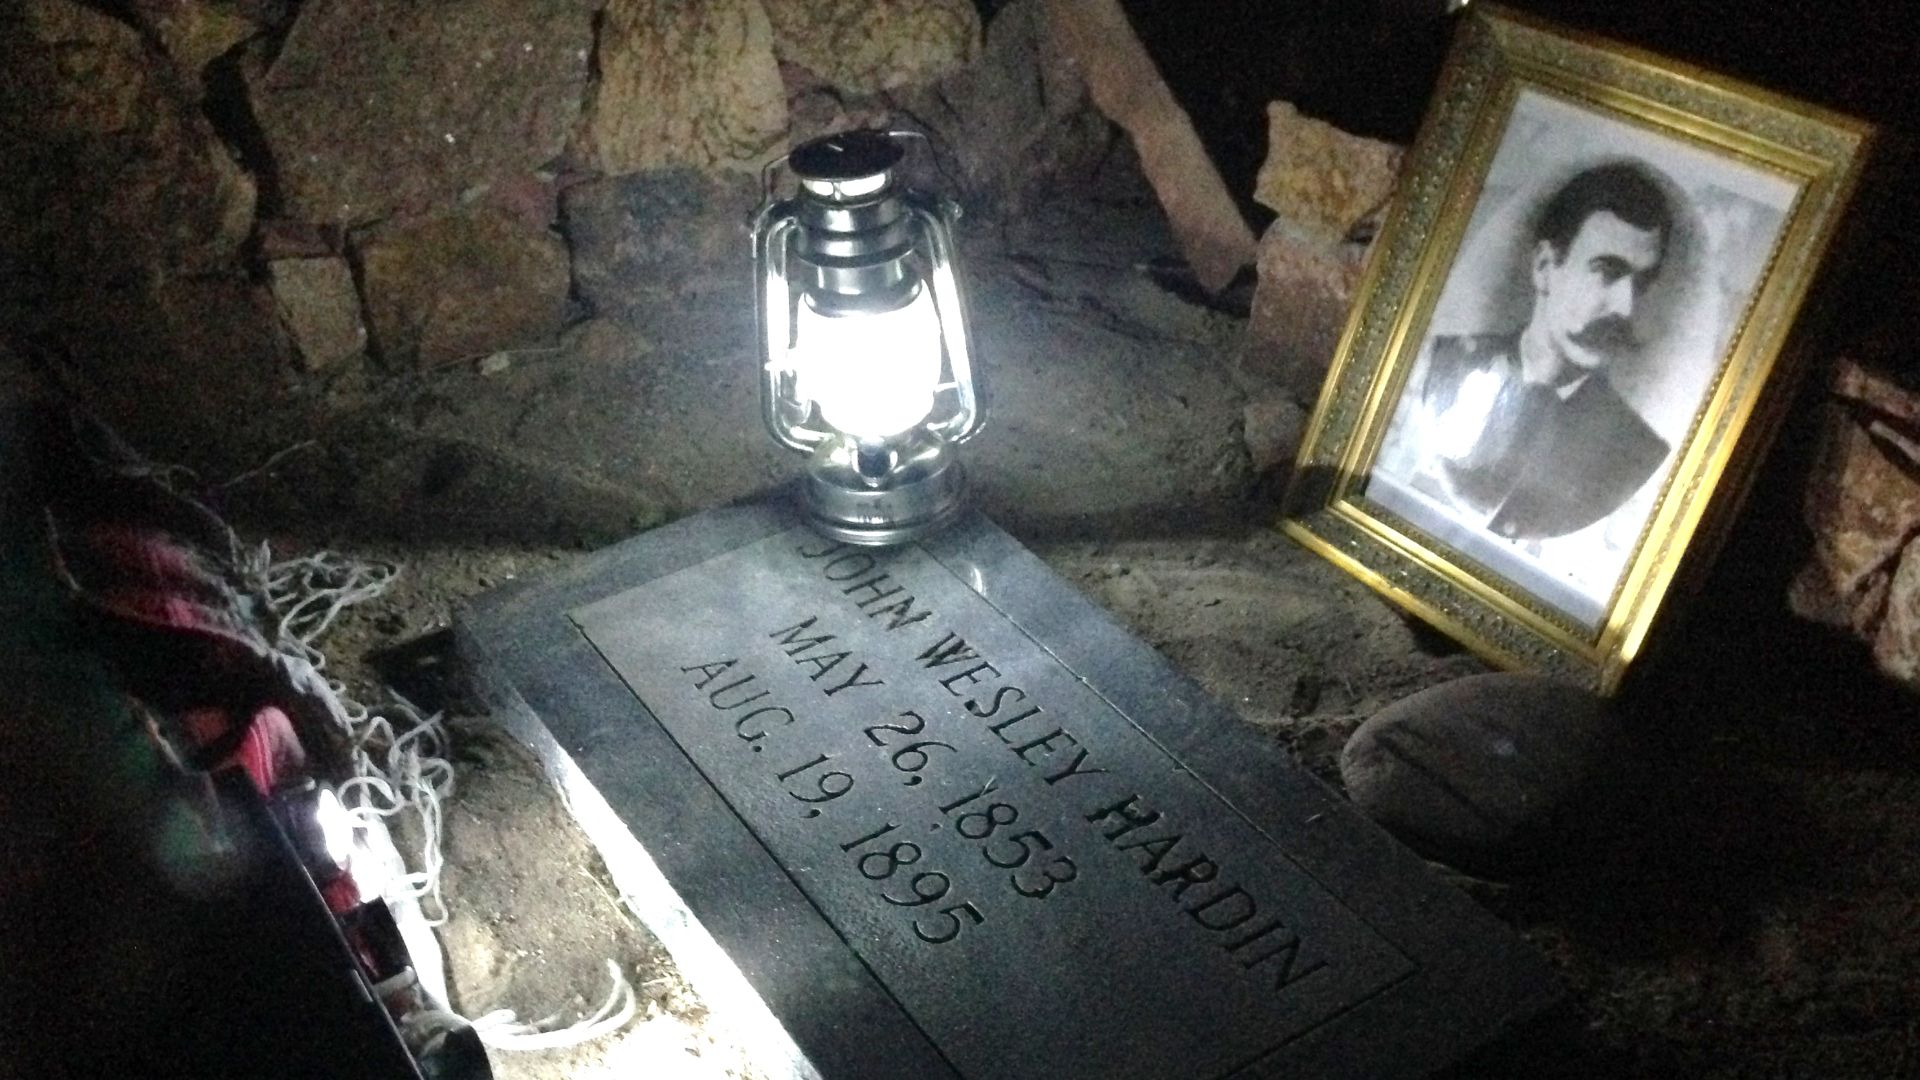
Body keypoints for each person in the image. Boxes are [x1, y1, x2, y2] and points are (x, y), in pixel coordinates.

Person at [1409, 160, 1676, 542]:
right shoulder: (1439, 363)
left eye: (1641, 281)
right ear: (1544, 266)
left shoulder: (1635, 451)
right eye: (1608, 270)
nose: (1624, 307)